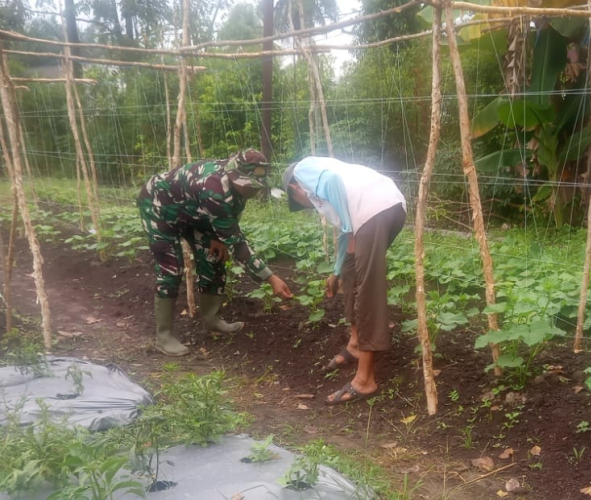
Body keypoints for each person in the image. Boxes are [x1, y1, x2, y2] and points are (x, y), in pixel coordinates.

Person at [138, 148, 293, 356]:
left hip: (194, 212)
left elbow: (226, 220)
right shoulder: (213, 188)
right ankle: (163, 336)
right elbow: (238, 245)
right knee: (171, 268)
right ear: (234, 176)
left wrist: (218, 238)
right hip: (159, 208)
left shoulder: (237, 187)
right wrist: (271, 278)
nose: (254, 191)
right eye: (249, 186)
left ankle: (211, 320)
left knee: (213, 256)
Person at [282, 157, 406, 405]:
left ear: (294, 188)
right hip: (380, 210)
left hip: (376, 209)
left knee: (368, 288)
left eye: (299, 202)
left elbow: (332, 180)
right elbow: (343, 232)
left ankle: (365, 380)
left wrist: (350, 231)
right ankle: (355, 344)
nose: (308, 206)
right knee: (351, 271)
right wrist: (336, 271)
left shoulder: (302, 170)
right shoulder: (324, 190)